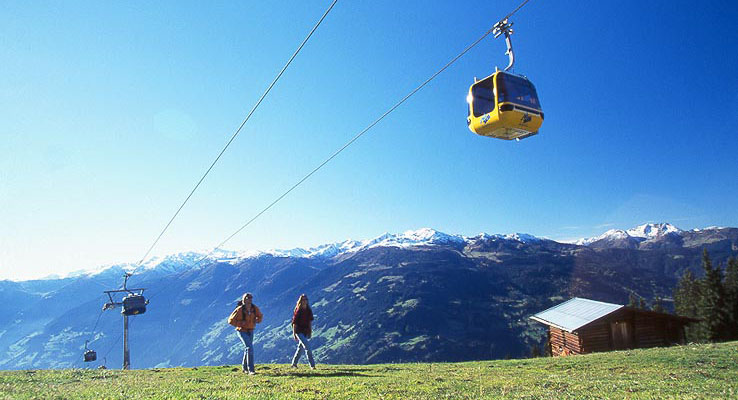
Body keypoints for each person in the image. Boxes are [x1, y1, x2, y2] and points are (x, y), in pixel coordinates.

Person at [227, 292, 263, 374]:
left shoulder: (254, 308)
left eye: (251, 298)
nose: (250, 300)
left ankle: (244, 367)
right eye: (248, 298)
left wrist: (257, 320)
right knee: (249, 348)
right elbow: (230, 320)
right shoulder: (240, 309)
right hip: (242, 331)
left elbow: (260, 316)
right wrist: (240, 324)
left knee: (247, 348)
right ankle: (251, 370)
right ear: (244, 300)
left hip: (250, 330)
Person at [290, 294, 316, 369]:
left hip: (305, 331)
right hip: (299, 332)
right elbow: (294, 323)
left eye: (306, 300)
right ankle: (312, 365)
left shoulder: (308, 310)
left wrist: (310, 331)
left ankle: (294, 364)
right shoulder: (298, 311)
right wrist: (294, 334)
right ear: (300, 301)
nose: (305, 301)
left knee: (300, 348)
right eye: (303, 300)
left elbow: (310, 322)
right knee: (307, 347)